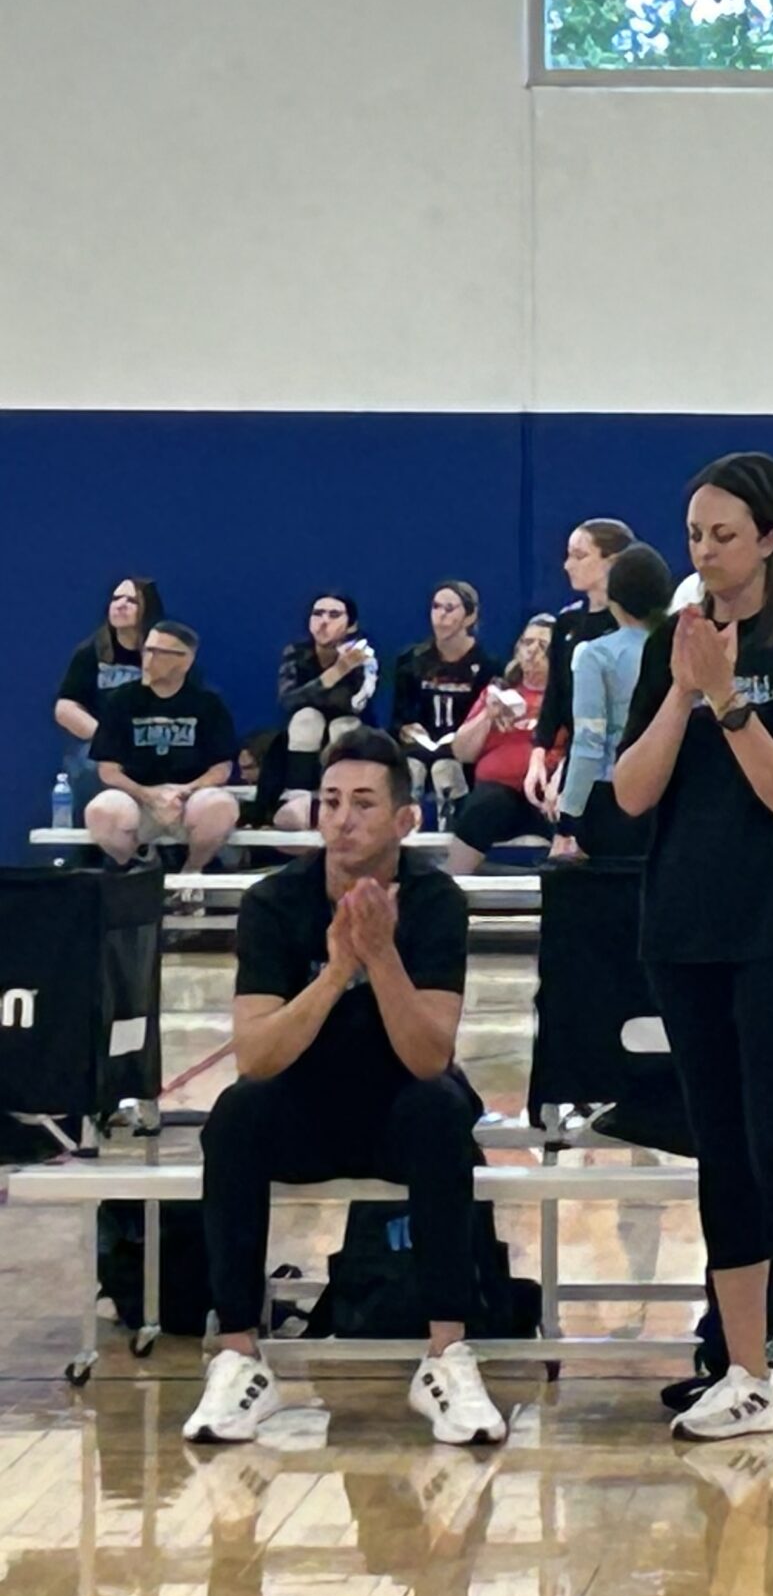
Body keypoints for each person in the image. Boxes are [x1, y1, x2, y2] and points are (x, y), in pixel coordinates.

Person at [610, 456, 773, 1461]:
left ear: (768, 538)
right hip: (686, 925)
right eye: (694, 534)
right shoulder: (679, 641)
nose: (704, 551)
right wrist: (683, 689)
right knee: (718, 1149)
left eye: (721, 533)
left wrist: (728, 701)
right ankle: (745, 1372)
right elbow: (629, 793)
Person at [181, 730, 504, 1448]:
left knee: (441, 1109)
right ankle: (237, 1358)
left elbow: (429, 1056)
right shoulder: (274, 901)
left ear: (404, 820)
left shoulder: (435, 900)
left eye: (363, 803)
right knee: (234, 1117)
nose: (343, 819)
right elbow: (257, 1057)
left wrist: (381, 956)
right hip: (306, 1111)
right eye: (331, 802)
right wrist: (333, 973)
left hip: (400, 1112)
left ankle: (446, 1354)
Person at [85, 621, 241, 872]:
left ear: (185, 660)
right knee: (101, 811)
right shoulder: (121, 700)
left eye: (159, 652)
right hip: (137, 800)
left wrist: (183, 791)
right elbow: (108, 770)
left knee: (220, 807)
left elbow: (221, 768)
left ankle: (191, 873)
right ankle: (141, 863)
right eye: (147, 650)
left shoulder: (207, 703)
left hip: (189, 800)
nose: (148, 659)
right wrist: (148, 795)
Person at [556, 544, 675, 863]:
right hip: (674, 798)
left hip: (611, 800)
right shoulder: (681, 648)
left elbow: (588, 741)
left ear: (614, 596)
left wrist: (569, 815)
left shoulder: (596, 655)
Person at [527, 518, 636, 823]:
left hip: (621, 763)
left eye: (579, 555)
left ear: (611, 562)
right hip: (576, 758)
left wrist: (570, 771)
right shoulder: (567, 624)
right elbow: (556, 698)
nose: (567, 565)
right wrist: (539, 754)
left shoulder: (632, 629)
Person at [444, 616, 555, 876]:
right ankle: (450, 883)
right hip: (499, 797)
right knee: (485, 805)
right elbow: (462, 752)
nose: (532, 650)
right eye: (527, 642)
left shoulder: (564, 697)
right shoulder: (499, 692)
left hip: (547, 796)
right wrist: (487, 717)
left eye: (542, 644)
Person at [270, 591, 378, 830]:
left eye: (334, 614)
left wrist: (330, 683)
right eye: (318, 614)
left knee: (342, 727)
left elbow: (355, 705)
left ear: (351, 625)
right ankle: (298, 801)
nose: (324, 621)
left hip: (350, 730)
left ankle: (342, 801)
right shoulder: (296, 653)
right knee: (306, 719)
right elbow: (288, 701)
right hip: (303, 732)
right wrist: (335, 673)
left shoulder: (363, 655)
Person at [390, 581, 494, 821]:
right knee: (411, 767)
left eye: (450, 608)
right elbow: (398, 717)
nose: (441, 616)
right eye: (436, 607)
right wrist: (405, 729)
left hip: (462, 750)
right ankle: (405, 827)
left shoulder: (486, 665)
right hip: (421, 745)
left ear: (469, 616)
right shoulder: (412, 659)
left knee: (445, 769)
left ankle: (452, 829)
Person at [55, 577, 160, 810]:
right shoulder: (90, 652)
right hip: (103, 744)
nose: (120, 604)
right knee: (89, 765)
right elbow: (65, 708)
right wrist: (107, 738)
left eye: (131, 600)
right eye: (115, 598)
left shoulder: (164, 652)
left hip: (154, 739)